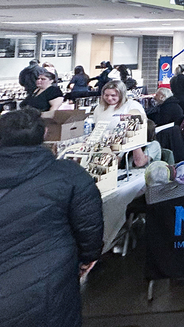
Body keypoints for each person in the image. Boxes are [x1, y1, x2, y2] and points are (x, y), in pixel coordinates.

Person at [0, 108, 104, 327]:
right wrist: (89, 256)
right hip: (52, 276)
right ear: (46, 134)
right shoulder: (68, 173)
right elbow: (88, 223)